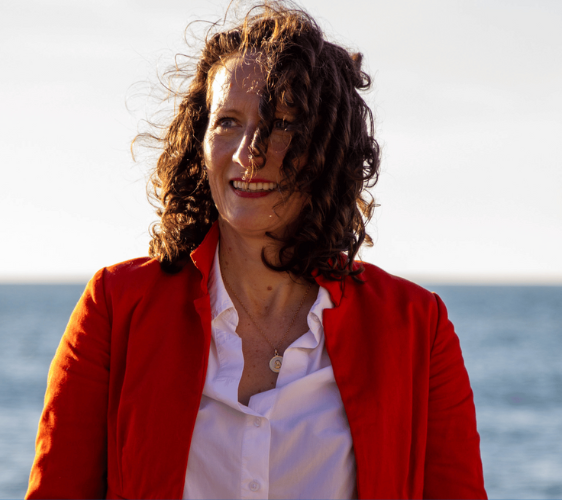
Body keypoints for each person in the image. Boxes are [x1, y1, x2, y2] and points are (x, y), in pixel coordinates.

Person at [25, 2, 486, 498]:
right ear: (200, 142)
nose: (249, 153)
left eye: (282, 124)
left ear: (329, 148)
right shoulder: (116, 308)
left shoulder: (417, 327)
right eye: (227, 122)